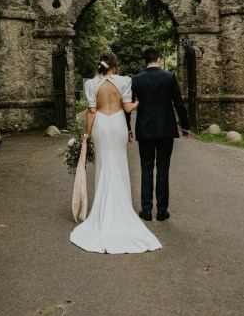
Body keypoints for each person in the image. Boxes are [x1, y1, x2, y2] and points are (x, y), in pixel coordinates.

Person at [70, 50, 161, 254]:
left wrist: (86, 135)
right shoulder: (124, 81)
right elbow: (128, 109)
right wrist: (138, 102)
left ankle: (102, 212)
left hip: (101, 125)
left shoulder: (91, 84)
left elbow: (92, 112)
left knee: (104, 165)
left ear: (100, 65)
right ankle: (121, 209)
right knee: (118, 165)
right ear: (114, 64)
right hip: (118, 124)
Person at [132, 47, 189, 222]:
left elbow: (130, 105)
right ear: (159, 59)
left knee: (146, 168)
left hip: (145, 129)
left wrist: (127, 128)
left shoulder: (136, 79)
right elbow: (178, 103)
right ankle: (162, 211)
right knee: (163, 169)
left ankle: (147, 210)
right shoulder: (169, 77)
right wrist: (185, 126)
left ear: (145, 61)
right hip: (166, 129)